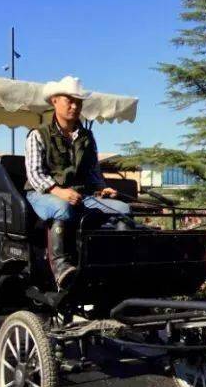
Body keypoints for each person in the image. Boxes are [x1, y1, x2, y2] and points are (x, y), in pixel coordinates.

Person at [25, 75, 132, 288]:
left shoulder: (87, 137)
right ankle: (61, 267)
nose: (74, 106)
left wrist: (102, 189)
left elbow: (93, 171)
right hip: (43, 194)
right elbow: (35, 174)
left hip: (80, 194)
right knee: (63, 208)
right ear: (55, 101)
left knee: (122, 208)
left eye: (78, 102)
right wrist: (58, 191)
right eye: (69, 100)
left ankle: (116, 264)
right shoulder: (38, 135)